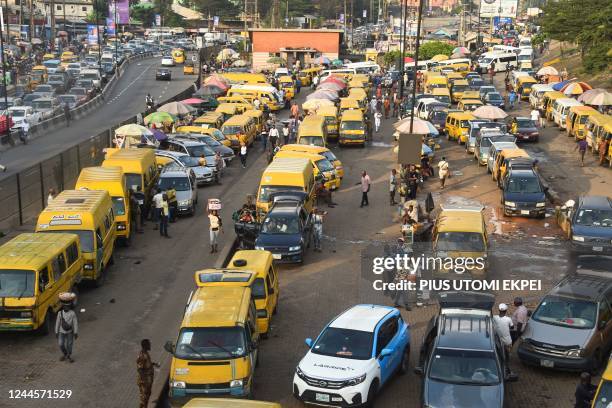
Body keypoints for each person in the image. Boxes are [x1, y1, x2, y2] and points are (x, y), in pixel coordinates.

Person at [137, 339, 159, 408]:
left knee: (146, 398)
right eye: (149, 344)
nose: (150, 345)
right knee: (143, 399)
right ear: (145, 346)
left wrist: (154, 364)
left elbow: (146, 364)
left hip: (148, 382)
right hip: (144, 382)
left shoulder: (146, 353)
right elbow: (140, 369)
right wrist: (145, 382)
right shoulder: (142, 356)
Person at [493, 303, 513, 375]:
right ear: (506, 311)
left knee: (498, 355)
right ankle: (506, 368)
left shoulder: (494, 318)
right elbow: (512, 327)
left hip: (497, 341)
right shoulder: (508, 319)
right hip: (507, 342)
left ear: (499, 310)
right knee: (507, 357)